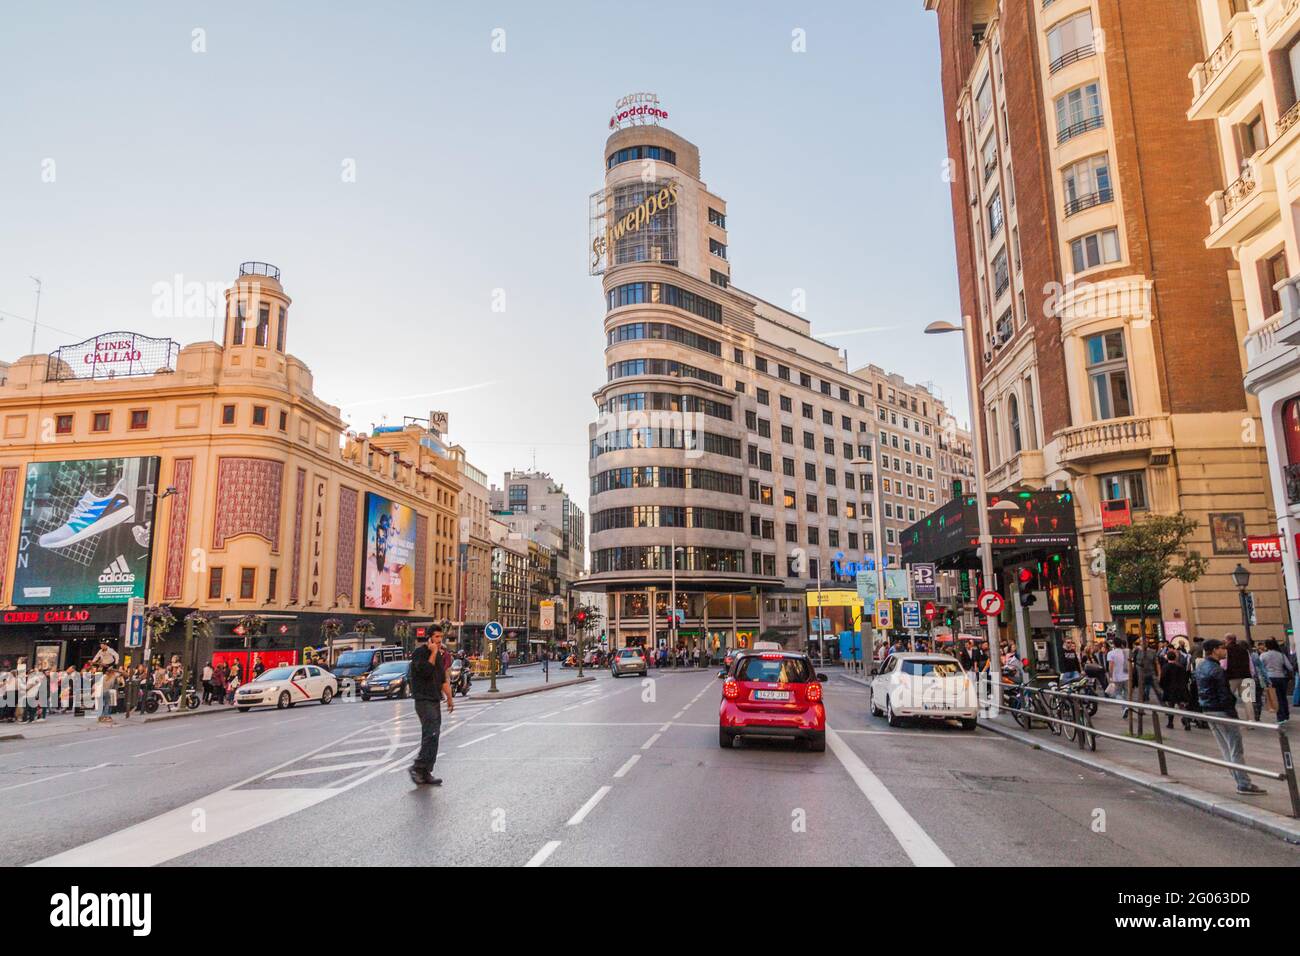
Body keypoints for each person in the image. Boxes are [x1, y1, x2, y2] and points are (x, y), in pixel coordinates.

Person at [1195, 639, 1266, 795]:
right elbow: (1224, 694)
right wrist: (1232, 713)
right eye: (1221, 648)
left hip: (1208, 709)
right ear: (1214, 650)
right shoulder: (1217, 669)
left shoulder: (1201, 667)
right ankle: (1244, 783)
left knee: (1226, 748)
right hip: (1221, 710)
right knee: (1235, 748)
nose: (1225, 651)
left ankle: (1239, 780)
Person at [409, 625, 454, 786]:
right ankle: (417, 767)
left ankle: (426, 771)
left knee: (434, 735)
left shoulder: (440, 657)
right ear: (429, 638)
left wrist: (449, 698)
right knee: (431, 734)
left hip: (435, 699)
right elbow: (426, 672)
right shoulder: (419, 654)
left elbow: (442, 679)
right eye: (436, 637)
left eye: (441, 637)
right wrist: (433, 652)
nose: (439, 640)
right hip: (423, 699)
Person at [1258, 639, 1294, 723]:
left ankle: (1280, 717)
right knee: (1283, 697)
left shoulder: (1263, 655)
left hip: (1270, 678)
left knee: (1276, 698)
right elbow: (1290, 667)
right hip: (1282, 677)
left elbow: (1259, 668)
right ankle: (1286, 715)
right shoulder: (1281, 655)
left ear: (1267, 646)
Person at [1158, 649, 1192, 730]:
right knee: (1181, 706)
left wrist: (1163, 687)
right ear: (1175, 657)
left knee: (1171, 706)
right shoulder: (1180, 667)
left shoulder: (1165, 667)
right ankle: (1187, 722)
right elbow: (1185, 678)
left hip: (1170, 690)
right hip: (1180, 689)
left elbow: (1162, 679)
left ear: (1167, 658)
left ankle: (1170, 723)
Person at [1224, 634, 1255, 722]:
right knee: (1248, 700)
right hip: (1246, 676)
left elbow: (1224, 665)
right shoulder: (1244, 650)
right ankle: (1251, 720)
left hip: (1232, 677)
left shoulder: (1226, 650)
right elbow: (1250, 664)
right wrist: (1251, 674)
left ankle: (1230, 717)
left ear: (1228, 640)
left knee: (1228, 697)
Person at [1106, 637, 1129, 706]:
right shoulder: (1126, 652)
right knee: (1126, 693)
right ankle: (1127, 706)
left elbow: (1110, 666)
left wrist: (1110, 677)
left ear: (1114, 644)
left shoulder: (1110, 653)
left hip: (1116, 677)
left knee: (1117, 693)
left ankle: (1125, 707)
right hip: (1126, 676)